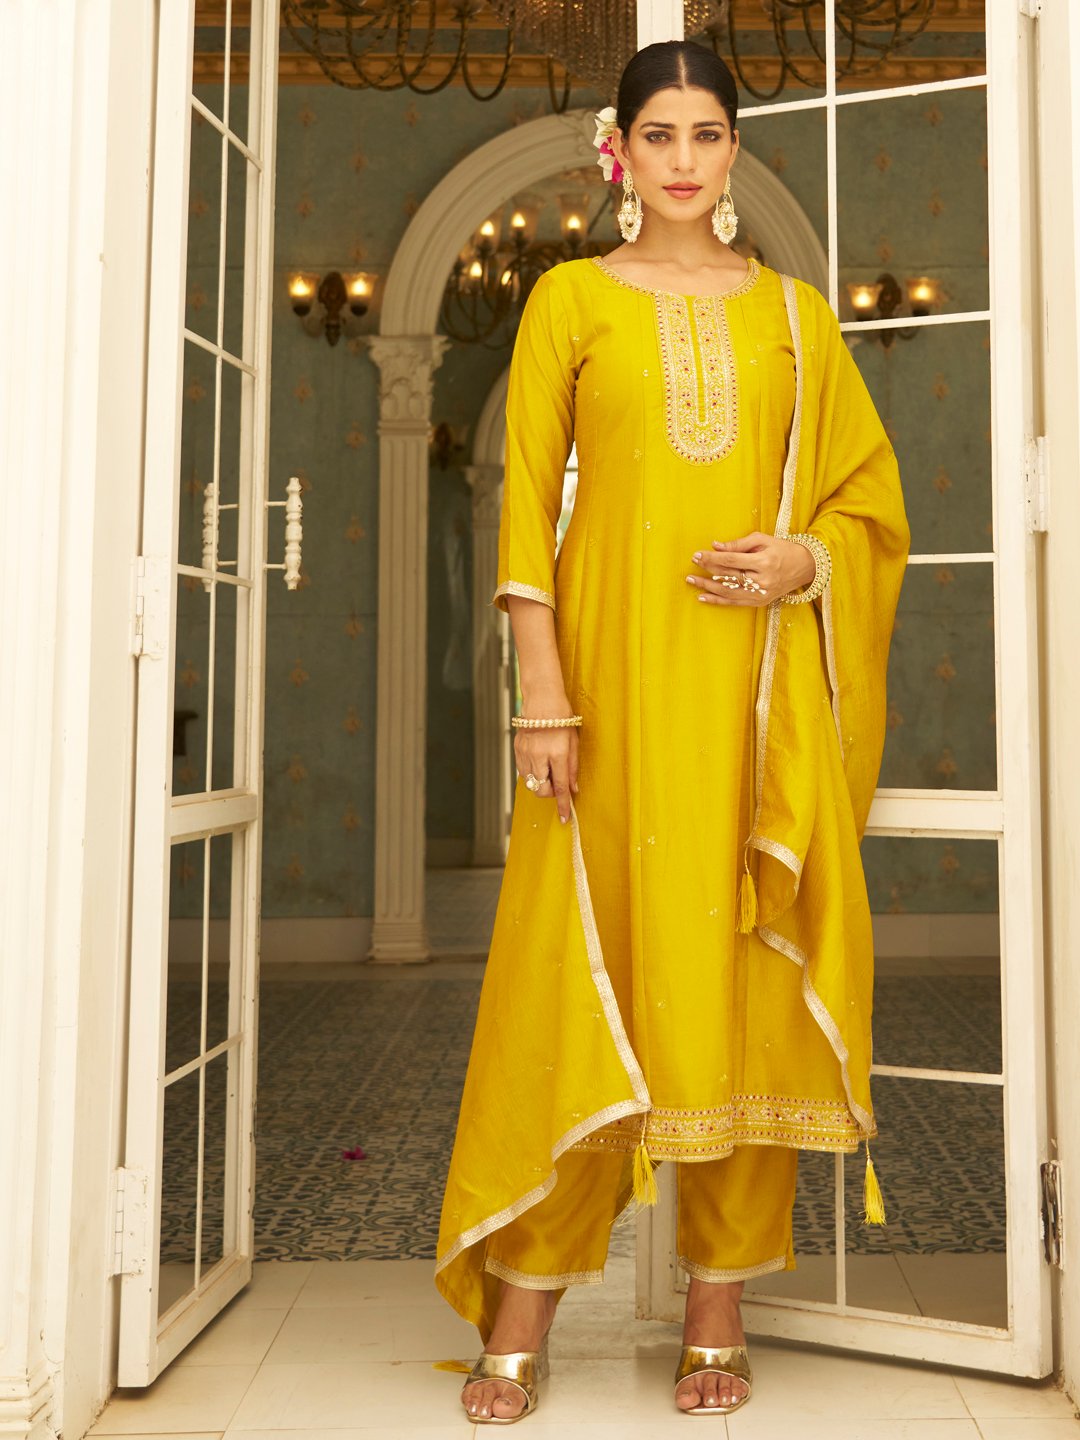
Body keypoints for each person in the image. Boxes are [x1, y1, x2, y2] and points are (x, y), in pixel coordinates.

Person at [435, 38, 910, 1424]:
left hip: (754, 702)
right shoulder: (571, 300)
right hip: (606, 694)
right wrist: (542, 695)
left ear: (735, 149)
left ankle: (717, 1306)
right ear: (621, 150)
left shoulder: (796, 320)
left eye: (708, 134)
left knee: (740, 973)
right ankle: (524, 1298)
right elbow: (527, 507)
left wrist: (805, 562)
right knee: (572, 975)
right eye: (661, 136)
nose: (686, 160)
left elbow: (868, 501)